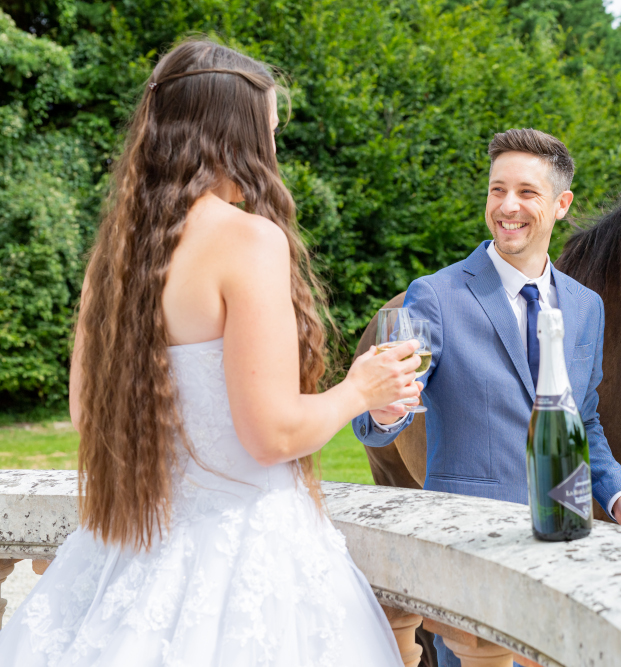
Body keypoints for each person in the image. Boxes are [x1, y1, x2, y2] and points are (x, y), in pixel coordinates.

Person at [0, 39, 419, 666]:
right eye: (270, 130)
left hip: (127, 555)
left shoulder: (113, 259)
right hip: (248, 559)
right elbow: (272, 434)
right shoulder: (250, 241)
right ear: (237, 136)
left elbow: (91, 420)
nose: (274, 149)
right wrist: (361, 389)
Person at [352, 128, 621, 667]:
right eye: (497, 190)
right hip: (470, 555)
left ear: (562, 204)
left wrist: (620, 497)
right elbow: (386, 411)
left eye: (526, 192)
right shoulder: (437, 294)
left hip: (563, 551)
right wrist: (383, 412)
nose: (507, 206)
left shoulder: (587, 307)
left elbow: (584, 423)